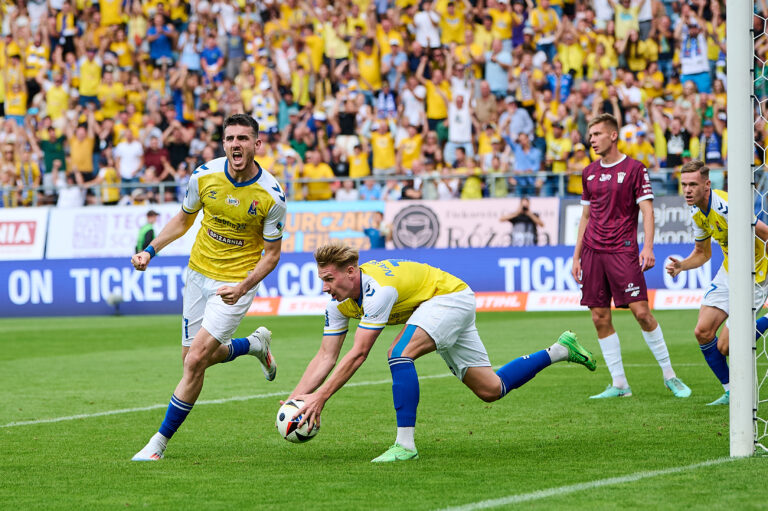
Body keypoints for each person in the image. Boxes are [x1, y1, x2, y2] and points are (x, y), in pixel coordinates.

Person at [287, 243, 597, 463]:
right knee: (491, 389)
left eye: (329, 279)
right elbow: (326, 356)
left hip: (449, 298)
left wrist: (321, 397)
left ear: (351, 272)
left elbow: (358, 353)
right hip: (435, 307)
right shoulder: (337, 304)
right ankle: (560, 350)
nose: (325, 287)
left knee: (399, 354)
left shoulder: (377, 290)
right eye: (322, 280)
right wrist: (298, 397)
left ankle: (405, 445)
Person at [130, 114, 287, 461]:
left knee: (195, 361)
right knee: (190, 359)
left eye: (243, 139)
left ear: (256, 144)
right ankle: (254, 345)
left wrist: (243, 286)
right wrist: (150, 250)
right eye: (230, 138)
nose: (236, 145)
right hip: (198, 274)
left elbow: (272, 255)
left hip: (235, 284)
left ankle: (157, 445)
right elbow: (184, 219)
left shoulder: (271, 196)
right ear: (223, 143)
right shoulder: (204, 176)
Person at [572, 113, 691, 399]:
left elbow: (648, 211)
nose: (592, 140)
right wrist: (576, 257)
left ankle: (670, 376)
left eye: (597, 134)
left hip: (623, 250)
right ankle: (620, 384)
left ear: (613, 135)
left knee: (642, 313)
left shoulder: (635, 169)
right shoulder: (588, 172)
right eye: (590, 136)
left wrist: (647, 247)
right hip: (592, 252)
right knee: (600, 316)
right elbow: (585, 216)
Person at [665, 161, 768, 406]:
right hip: (730, 271)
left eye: (693, 184)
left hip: (756, 274)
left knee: (726, 346)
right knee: (702, 332)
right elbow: (703, 253)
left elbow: (765, 233)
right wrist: (682, 266)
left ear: (707, 185)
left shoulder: (726, 206)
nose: (687, 190)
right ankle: (732, 391)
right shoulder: (696, 211)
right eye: (684, 185)